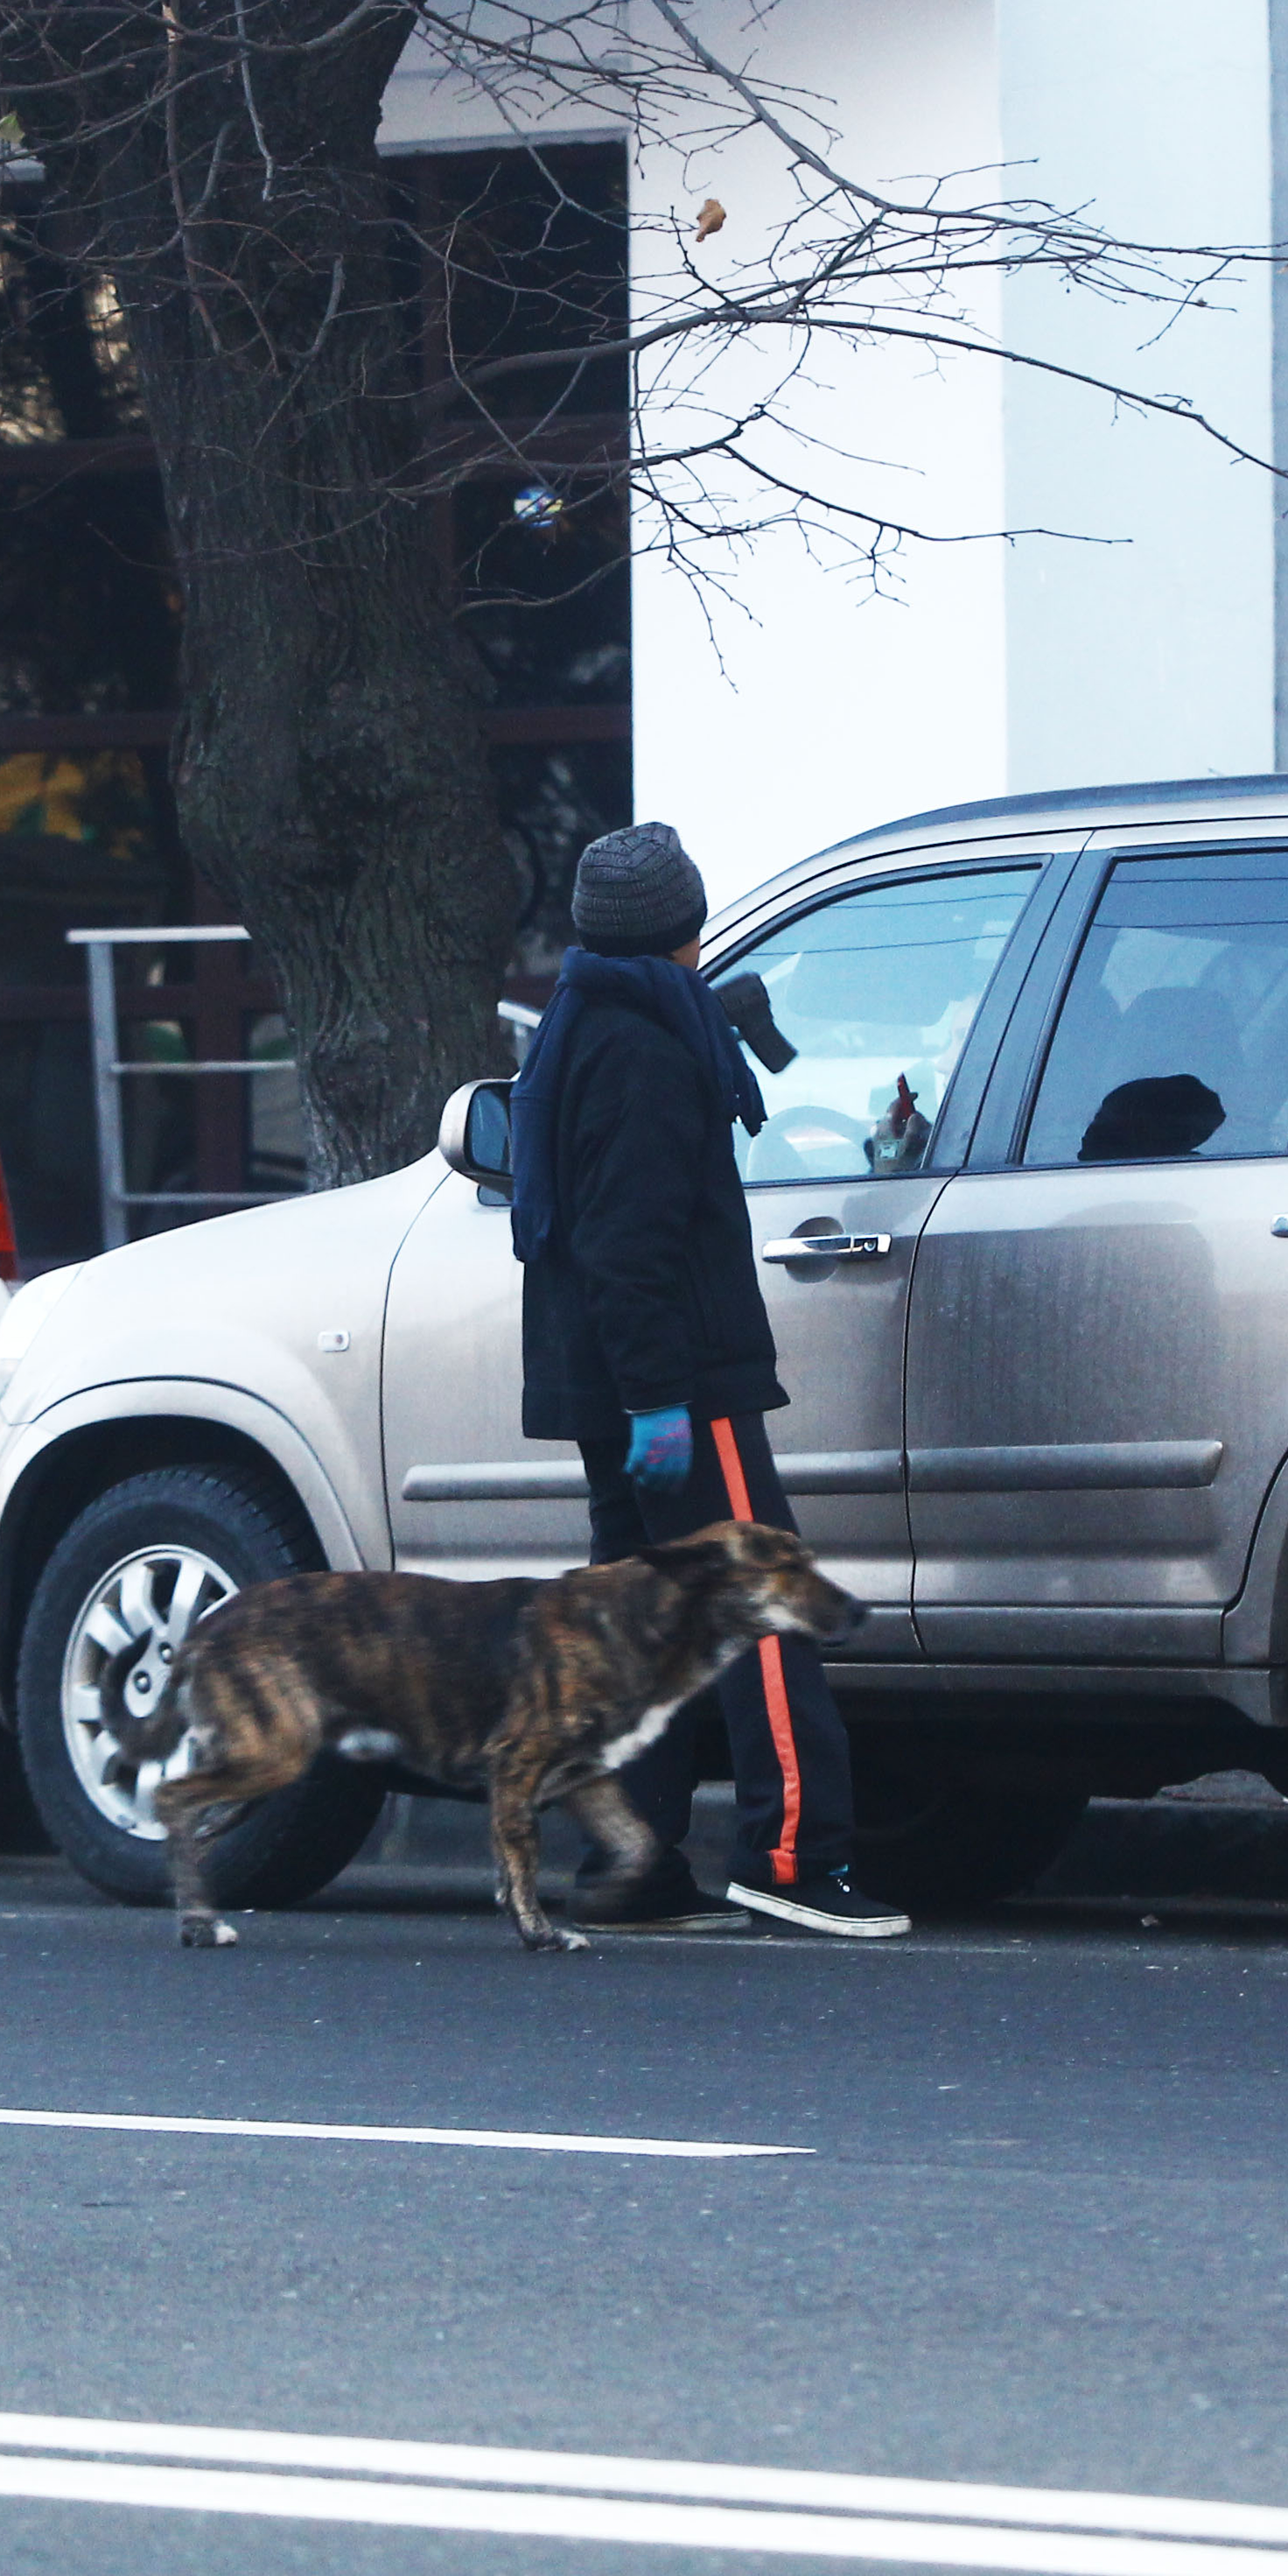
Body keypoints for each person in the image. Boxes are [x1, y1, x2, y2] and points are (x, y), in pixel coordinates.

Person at [510, 822, 910, 1936]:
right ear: (685, 929)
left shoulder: (581, 1024)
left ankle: (631, 1864)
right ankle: (790, 1859)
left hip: (611, 1380)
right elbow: (629, 1245)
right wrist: (659, 1401)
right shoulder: (642, 1051)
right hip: (676, 1382)